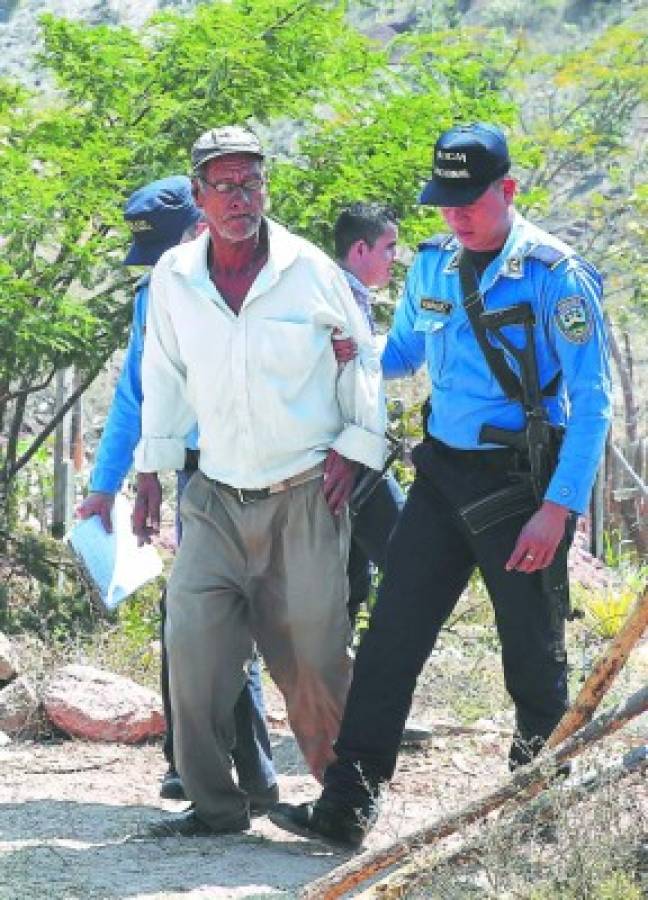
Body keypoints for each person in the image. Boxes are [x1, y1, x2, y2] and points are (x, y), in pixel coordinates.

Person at [269, 122, 612, 846]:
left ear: (508, 190)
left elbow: (594, 405)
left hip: (522, 486)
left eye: (470, 201)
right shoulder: (433, 266)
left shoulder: (556, 275)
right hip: (441, 477)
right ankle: (345, 807)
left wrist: (557, 510)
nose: (455, 214)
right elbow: (399, 356)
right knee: (391, 638)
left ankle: (538, 810)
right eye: (444, 200)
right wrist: (346, 350)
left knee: (532, 652)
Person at [132, 126, 387, 837]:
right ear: (198, 196)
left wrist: (356, 447)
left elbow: (360, 364)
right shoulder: (175, 277)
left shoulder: (310, 272)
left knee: (314, 654)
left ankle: (344, 803)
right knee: (192, 645)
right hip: (213, 494)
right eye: (225, 185)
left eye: (252, 183)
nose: (241, 198)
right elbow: (164, 376)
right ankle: (215, 807)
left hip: (304, 494)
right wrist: (153, 473)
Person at [77, 176, 277, 811]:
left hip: (270, 474)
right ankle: (217, 768)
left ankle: (245, 770)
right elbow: (135, 395)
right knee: (199, 619)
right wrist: (106, 485)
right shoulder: (155, 294)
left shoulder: (265, 282)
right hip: (199, 476)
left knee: (234, 619)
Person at [333, 203, 405, 627]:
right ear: (360, 249)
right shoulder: (332, 301)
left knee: (352, 580)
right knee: (409, 565)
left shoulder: (353, 298)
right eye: (388, 247)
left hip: (361, 460)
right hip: (347, 463)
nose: (394, 258)